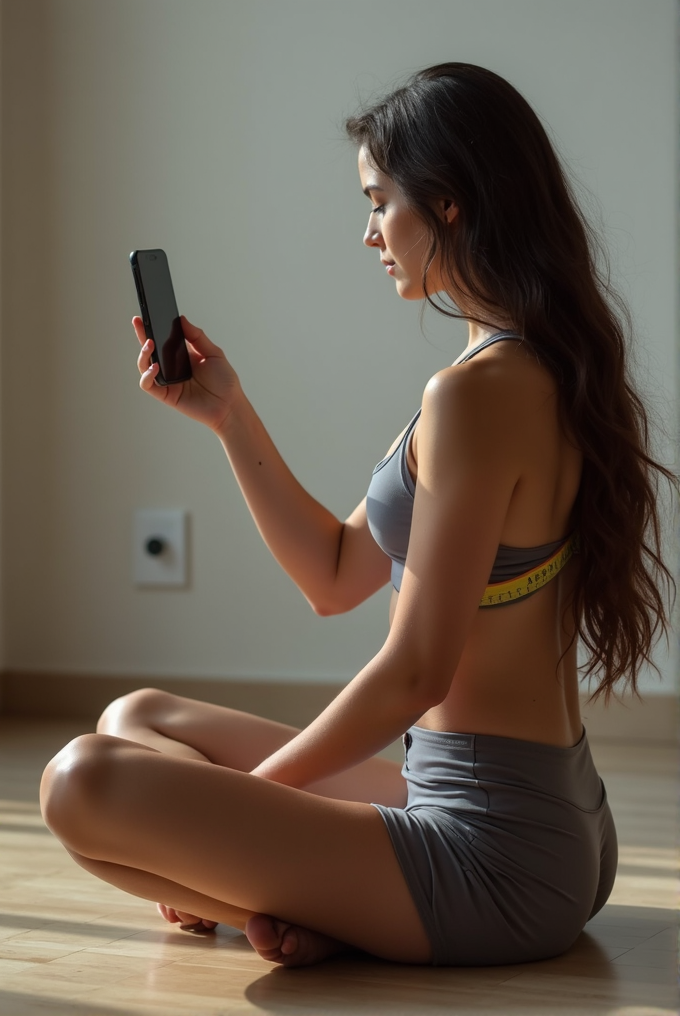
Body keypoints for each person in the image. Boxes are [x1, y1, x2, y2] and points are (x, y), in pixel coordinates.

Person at [40, 63, 675, 969]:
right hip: (538, 822)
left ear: (448, 203)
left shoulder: (481, 394)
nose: (369, 231)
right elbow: (336, 576)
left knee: (79, 787)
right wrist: (229, 412)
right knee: (135, 718)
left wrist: (252, 805)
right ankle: (326, 905)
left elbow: (416, 670)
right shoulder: (516, 366)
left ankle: (327, 908)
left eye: (381, 202)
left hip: (495, 858)